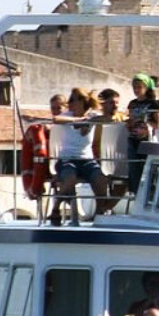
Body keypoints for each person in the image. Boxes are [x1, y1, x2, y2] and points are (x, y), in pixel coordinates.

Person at [50, 88, 109, 225]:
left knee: (100, 178)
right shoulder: (67, 115)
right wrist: (78, 120)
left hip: (87, 161)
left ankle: (99, 214)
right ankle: (56, 206)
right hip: (67, 159)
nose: (70, 102)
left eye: (73, 100)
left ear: (83, 102)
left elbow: (106, 118)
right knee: (70, 177)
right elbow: (56, 119)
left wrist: (90, 120)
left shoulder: (92, 115)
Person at [126, 73, 156, 193]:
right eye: (134, 87)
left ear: (146, 88)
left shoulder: (153, 104)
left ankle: (148, 193)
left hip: (147, 140)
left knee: (147, 169)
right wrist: (129, 123)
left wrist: (144, 121)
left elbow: (158, 124)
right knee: (134, 169)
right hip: (133, 139)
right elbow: (129, 120)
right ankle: (136, 194)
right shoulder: (132, 104)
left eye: (139, 87)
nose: (136, 90)